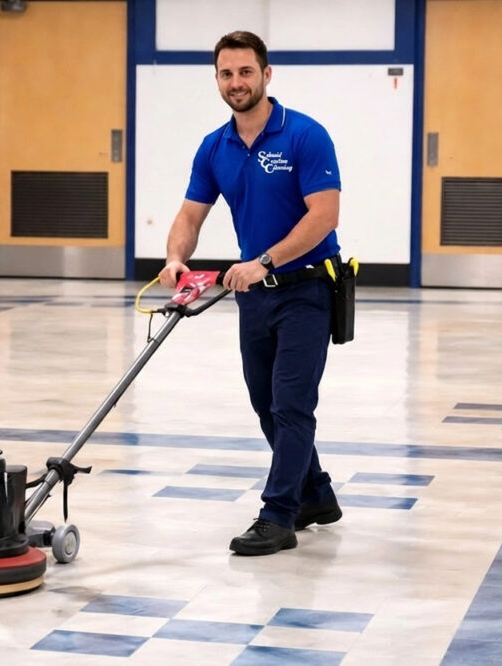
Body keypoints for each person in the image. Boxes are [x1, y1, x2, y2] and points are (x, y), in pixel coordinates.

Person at [159, 30, 344, 556]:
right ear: (217, 79)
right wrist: (176, 258)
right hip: (254, 297)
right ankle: (315, 495)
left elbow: (324, 216)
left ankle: (278, 515)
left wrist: (263, 262)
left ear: (266, 74)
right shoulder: (215, 147)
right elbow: (190, 215)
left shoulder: (304, 135)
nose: (235, 82)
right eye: (226, 74)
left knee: (291, 404)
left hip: (307, 289)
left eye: (245, 72)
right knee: (265, 403)